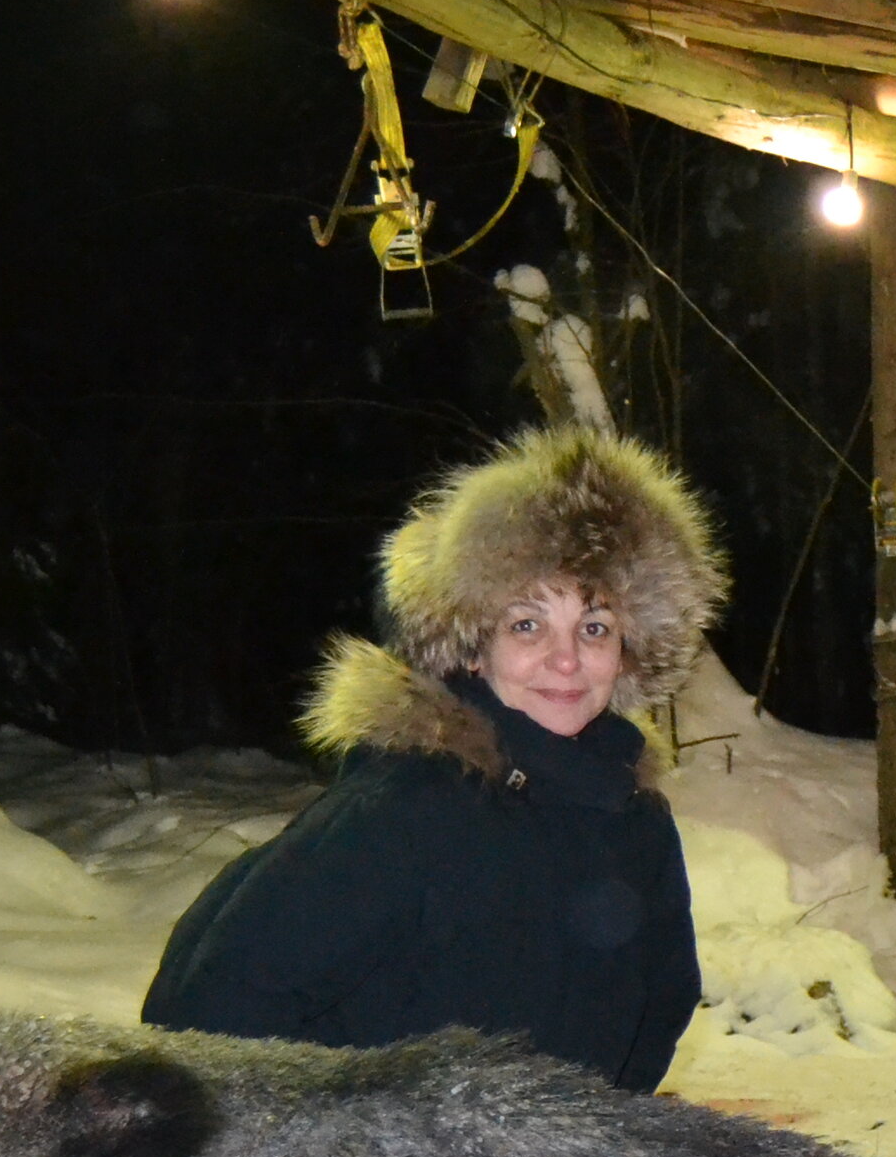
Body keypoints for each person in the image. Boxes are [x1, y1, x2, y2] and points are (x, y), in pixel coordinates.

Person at [144, 425, 723, 1090]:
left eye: (594, 628)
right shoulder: (410, 805)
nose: (566, 659)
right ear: (472, 644)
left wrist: (590, 1152)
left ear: (629, 651)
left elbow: (663, 1002)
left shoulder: (635, 816)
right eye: (527, 624)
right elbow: (205, 1000)